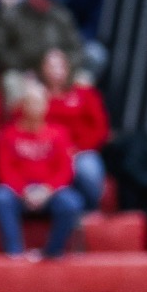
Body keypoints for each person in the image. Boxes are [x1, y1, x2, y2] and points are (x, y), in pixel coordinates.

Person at [0, 81, 85, 259]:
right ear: (22, 105)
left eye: (39, 102)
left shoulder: (59, 133)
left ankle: (52, 252)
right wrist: (23, 190)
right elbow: (4, 170)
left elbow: (65, 170)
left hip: (49, 193)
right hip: (19, 193)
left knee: (72, 202)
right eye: (30, 102)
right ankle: (14, 251)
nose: (35, 107)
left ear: (46, 105)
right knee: (0, 196)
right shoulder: (9, 134)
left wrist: (47, 190)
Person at [41, 48, 108, 206]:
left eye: (60, 66)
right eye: (51, 66)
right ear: (43, 69)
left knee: (88, 171)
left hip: (80, 151)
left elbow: (100, 129)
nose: (56, 71)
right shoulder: (36, 97)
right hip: (46, 151)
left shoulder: (85, 94)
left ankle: (88, 213)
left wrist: (76, 149)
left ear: (67, 69)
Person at [0, 0, 80, 88]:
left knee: (83, 80)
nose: (48, 1)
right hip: (22, 71)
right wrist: (22, 67)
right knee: (11, 81)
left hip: (59, 70)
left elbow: (77, 49)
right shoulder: (11, 15)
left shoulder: (61, 16)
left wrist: (62, 64)